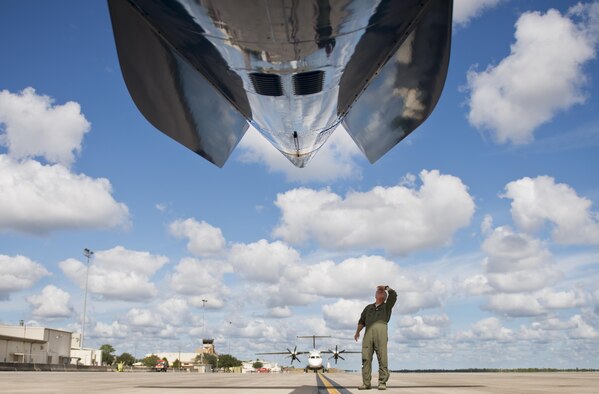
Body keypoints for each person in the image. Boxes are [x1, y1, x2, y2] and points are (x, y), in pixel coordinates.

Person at [354, 285, 397, 391]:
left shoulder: (387, 306)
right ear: (375, 295)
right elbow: (361, 321)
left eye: (382, 292)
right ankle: (366, 383)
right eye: (378, 291)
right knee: (366, 359)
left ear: (385, 296)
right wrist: (357, 332)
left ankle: (382, 382)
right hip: (368, 333)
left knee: (382, 358)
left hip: (381, 332)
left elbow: (394, 295)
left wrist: (386, 287)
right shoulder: (368, 308)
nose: (380, 292)